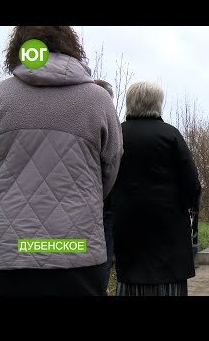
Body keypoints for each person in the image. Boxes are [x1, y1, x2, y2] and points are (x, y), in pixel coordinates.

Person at [0, 26, 123, 296]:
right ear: (70, 46)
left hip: (10, 251)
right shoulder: (98, 100)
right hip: (77, 251)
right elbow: (110, 170)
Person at [111, 81, 200, 296]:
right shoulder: (170, 135)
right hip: (168, 225)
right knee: (168, 281)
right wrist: (187, 205)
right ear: (158, 104)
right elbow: (191, 182)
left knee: (130, 278)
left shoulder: (117, 135)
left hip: (126, 221)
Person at [94, 79, 117, 292]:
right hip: (102, 199)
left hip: (81, 199)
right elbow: (112, 161)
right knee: (102, 253)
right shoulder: (110, 122)